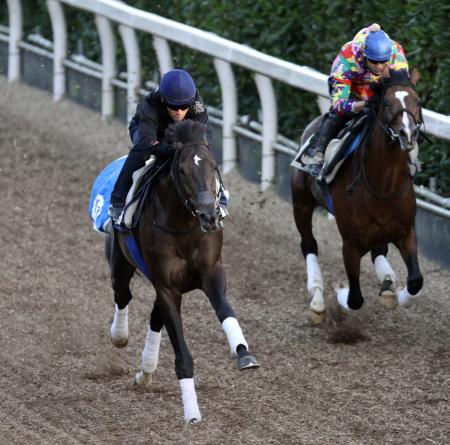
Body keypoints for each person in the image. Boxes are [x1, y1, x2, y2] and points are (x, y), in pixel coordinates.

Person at [109, 68, 228, 222]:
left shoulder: (195, 101)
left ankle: (221, 197)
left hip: (179, 133)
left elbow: (205, 134)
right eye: (174, 106)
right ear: (164, 100)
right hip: (149, 132)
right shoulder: (149, 105)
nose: (179, 112)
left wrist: (195, 148)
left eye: (184, 106)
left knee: (203, 154)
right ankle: (118, 200)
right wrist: (172, 150)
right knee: (139, 152)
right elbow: (147, 142)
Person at [307, 23, 410, 178]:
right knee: (338, 114)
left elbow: (401, 89)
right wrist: (361, 104)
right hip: (353, 89)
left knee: (402, 114)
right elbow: (339, 104)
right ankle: (317, 153)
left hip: (381, 88)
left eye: (384, 61)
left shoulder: (396, 55)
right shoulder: (348, 59)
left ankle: (410, 156)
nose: (380, 67)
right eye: (374, 61)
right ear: (364, 55)